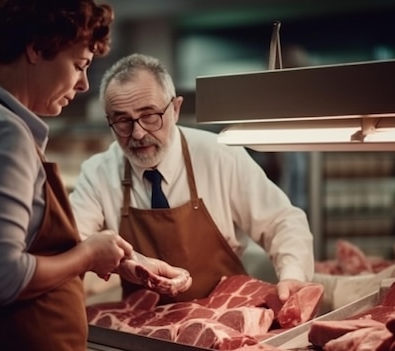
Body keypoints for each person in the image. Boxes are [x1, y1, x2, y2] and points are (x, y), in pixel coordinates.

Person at [0, 2, 189, 350]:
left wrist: (115, 261)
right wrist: (87, 256)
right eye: (79, 65)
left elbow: (17, 249)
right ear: (36, 48)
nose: (85, 84)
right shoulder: (0, 131)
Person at [69, 53, 317, 305]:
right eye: (122, 121)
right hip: (142, 327)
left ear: (175, 109)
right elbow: (71, 242)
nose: (138, 132)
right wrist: (115, 261)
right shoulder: (99, 172)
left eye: (150, 115)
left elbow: (281, 221)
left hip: (223, 319)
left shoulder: (221, 156)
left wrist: (293, 274)